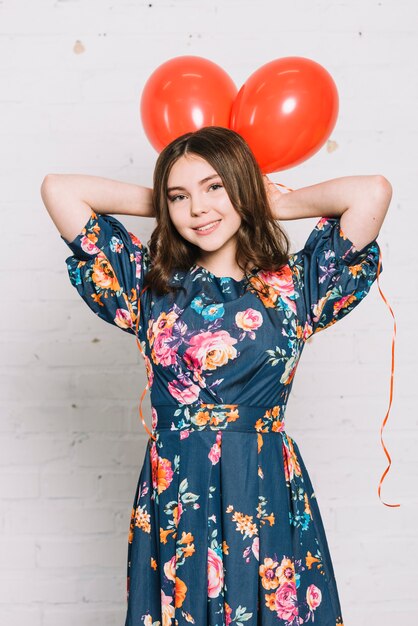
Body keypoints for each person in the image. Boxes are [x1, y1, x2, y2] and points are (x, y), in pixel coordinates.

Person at [41, 126, 392, 626]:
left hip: (262, 483)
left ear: (242, 187)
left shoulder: (294, 288)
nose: (198, 208)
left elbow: (371, 192)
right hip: (176, 489)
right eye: (179, 196)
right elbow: (60, 189)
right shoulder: (147, 285)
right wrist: (166, 205)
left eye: (214, 187)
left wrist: (265, 203)